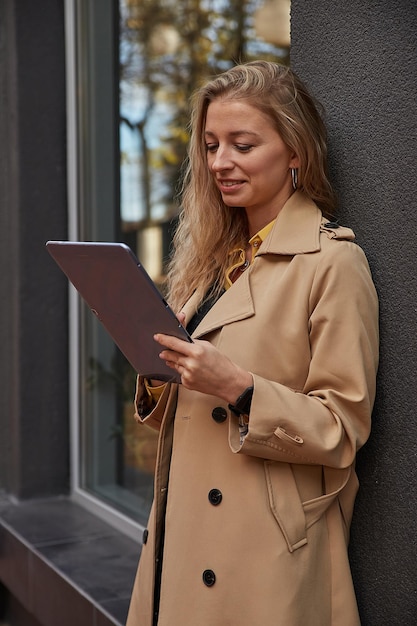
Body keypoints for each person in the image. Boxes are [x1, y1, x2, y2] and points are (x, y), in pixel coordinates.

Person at [126, 60, 379, 626]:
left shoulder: (333, 263)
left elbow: (342, 429)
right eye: (212, 145)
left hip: (262, 552)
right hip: (183, 531)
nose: (220, 163)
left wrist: (239, 388)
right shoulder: (210, 260)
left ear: (295, 151)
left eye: (242, 144)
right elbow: (186, 410)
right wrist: (155, 361)